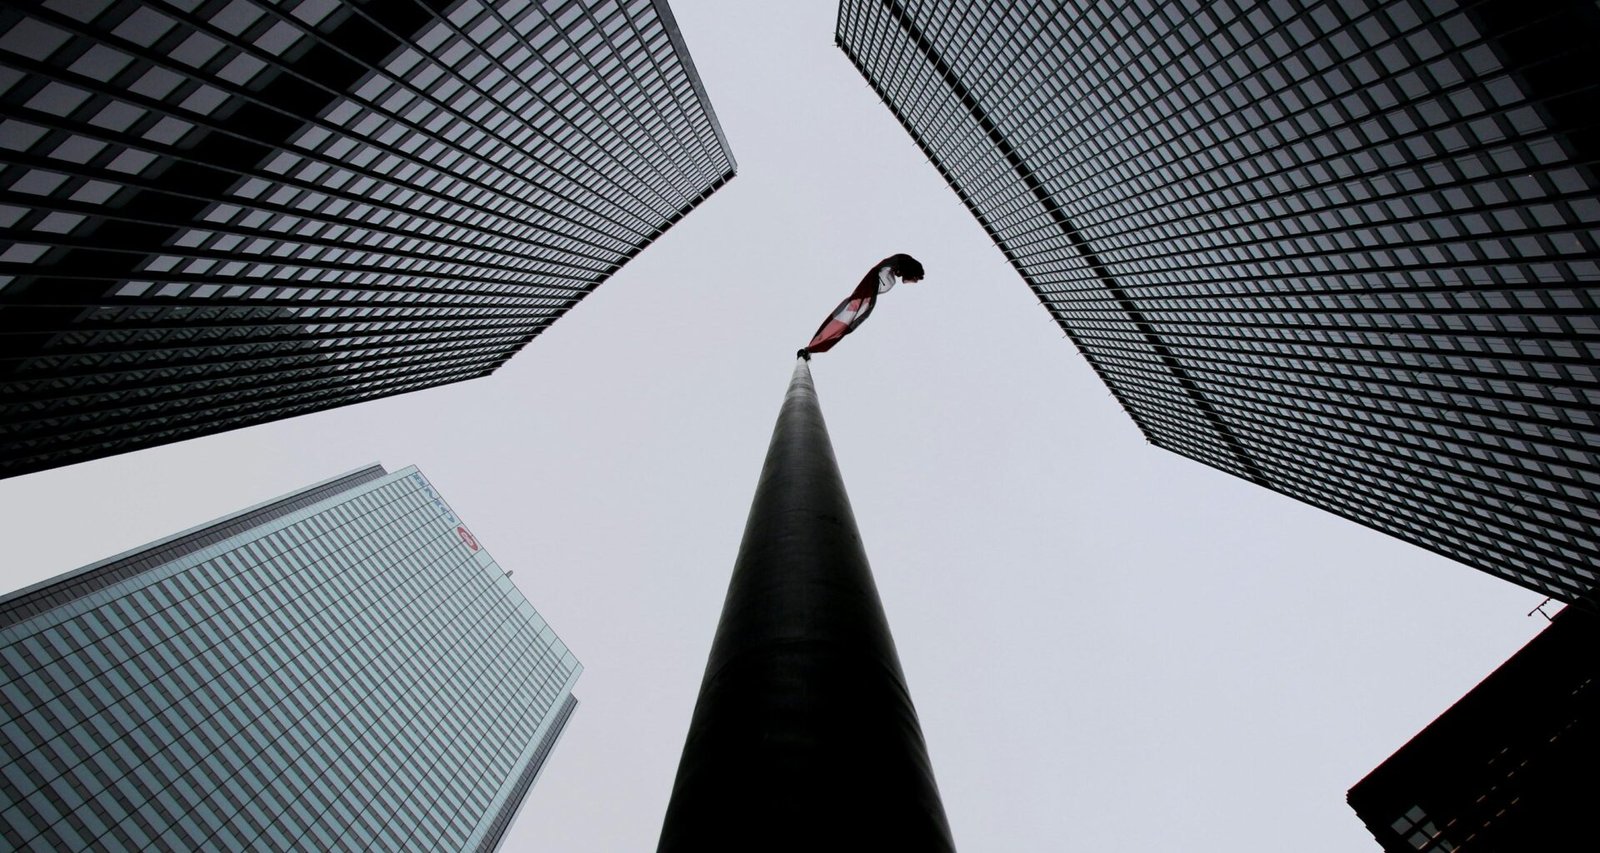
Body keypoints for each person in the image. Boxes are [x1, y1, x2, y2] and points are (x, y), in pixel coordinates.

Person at [798, 254, 925, 359]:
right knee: (861, 309)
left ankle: (815, 345)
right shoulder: (898, 262)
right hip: (875, 281)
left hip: (880, 277)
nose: (909, 280)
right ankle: (819, 342)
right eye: (913, 278)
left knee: (864, 308)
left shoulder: (896, 264)